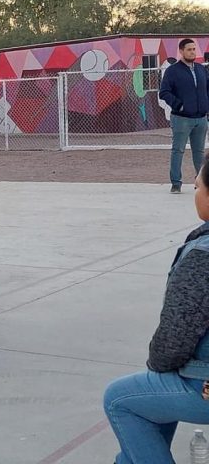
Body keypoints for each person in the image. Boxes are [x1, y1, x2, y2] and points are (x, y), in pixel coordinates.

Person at [104, 154, 209, 462]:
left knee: (120, 399)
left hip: (202, 385)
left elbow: (174, 340)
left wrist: (158, 364)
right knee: (134, 444)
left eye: (198, 186)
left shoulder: (202, 257)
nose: (195, 191)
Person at [159, 38, 209, 194]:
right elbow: (164, 92)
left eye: (194, 49)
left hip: (201, 118)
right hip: (181, 119)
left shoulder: (201, 69)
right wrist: (179, 105)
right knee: (178, 150)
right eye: (189, 49)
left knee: (199, 152)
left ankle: (201, 182)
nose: (192, 52)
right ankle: (176, 183)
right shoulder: (172, 71)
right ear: (181, 51)